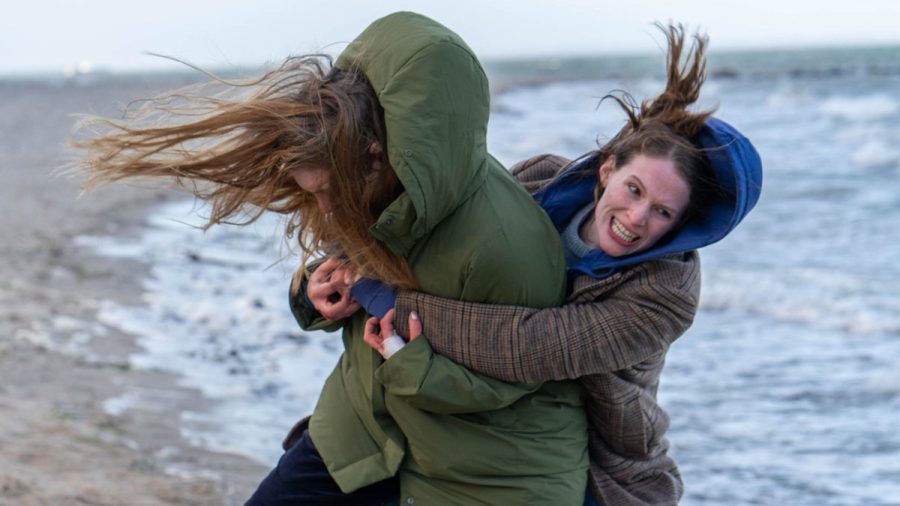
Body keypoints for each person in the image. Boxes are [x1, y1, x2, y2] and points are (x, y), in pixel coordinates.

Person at [76, 11, 589, 506]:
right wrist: (315, 293)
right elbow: (348, 279)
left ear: (376, 154)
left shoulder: (505, 246)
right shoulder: (373, 193)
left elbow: (520, 379)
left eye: (327, 191)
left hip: (484, 469)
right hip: (366, 429)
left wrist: (409, 364)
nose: (326, 209)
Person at [355, 24, 763, 506]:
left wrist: (385, 299)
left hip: (601, 466)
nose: (637, 218)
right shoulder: (541, 180)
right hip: (485, 415)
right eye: (634, 190)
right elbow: (439, 233)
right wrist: (340, 266)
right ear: (608, 168)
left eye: (662, 212)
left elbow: (529, 345)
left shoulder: (665, 291)